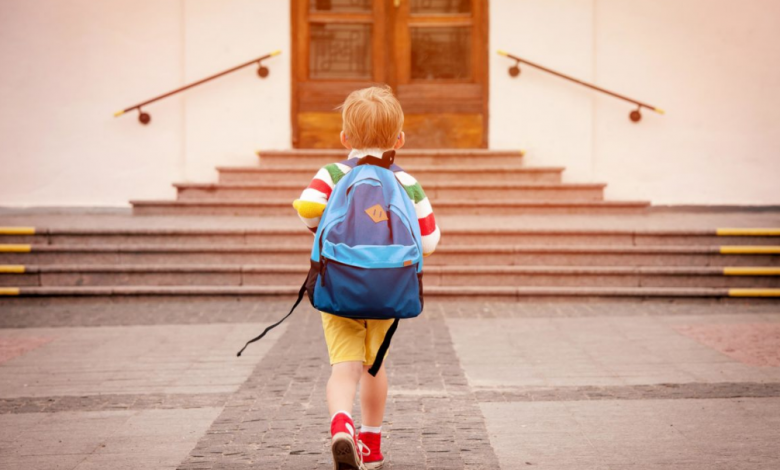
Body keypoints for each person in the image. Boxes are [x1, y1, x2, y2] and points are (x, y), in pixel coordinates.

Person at [292, 85, 441, 470]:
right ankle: (371, 445)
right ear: (399, 139)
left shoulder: (332, 173)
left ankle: (341, 424)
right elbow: (429, 241)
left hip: (339, 285)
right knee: (374, 367)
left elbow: (309, 209)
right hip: (388, 290)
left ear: (344, 138)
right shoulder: (406, 181)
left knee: (343, 369)